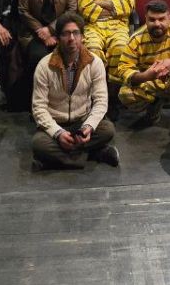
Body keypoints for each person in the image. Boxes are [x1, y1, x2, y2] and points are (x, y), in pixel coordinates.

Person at [31, 12, 120, 170]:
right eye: (66, 33)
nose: (71, 38)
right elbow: (39, 108)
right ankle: (93, 154)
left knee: (108, 130)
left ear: (82, 37)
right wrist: (58, 133)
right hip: (56, 123)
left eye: (75, 33)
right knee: (39, 143)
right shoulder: (44, 66)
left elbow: (101, 102)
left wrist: (88, 127)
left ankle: (55, 160)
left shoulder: (95, 63)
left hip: (81, 122)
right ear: (58, 38)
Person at [17, 0, 79, 108]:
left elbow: (72, 10)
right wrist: (40, 30)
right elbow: (23, 10)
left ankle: (64, 103)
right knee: (37, 58)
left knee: (70, 57)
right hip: (34, 33)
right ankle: (38, 104)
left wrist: (50, 29)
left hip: (62, 31)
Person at [77, 0, 133, 95]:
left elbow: (128, 6)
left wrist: (99, 2)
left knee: (121, 48)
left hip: (119, 26)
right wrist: (115, 7)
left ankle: (114, 92)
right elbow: (85, 8)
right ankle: (97, 91)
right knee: (92, 49)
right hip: (94, 26)